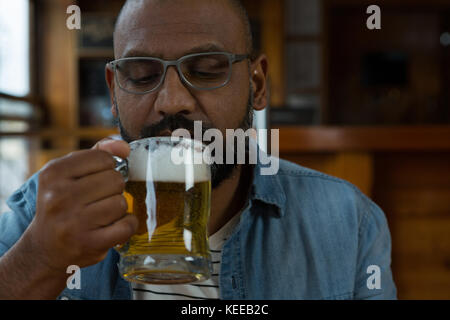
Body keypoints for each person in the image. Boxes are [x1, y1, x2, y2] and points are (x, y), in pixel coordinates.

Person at [0, 0, 396, 300]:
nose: (172, 101)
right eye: (142, 75)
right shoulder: (44, 210)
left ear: (257, 85)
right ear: (114, 92)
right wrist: (38, 260)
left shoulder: (349, 221)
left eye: (207, 70)